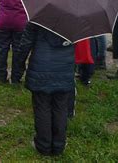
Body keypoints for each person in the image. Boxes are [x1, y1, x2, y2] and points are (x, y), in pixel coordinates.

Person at [21, 22, 75, 156]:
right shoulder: (75, 18)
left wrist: (19, 65)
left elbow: (25, 43)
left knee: (42, 107)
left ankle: (43, 145)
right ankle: (58, 145)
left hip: (41, 68)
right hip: (64, 68)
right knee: (61, 107)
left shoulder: (38, 16)